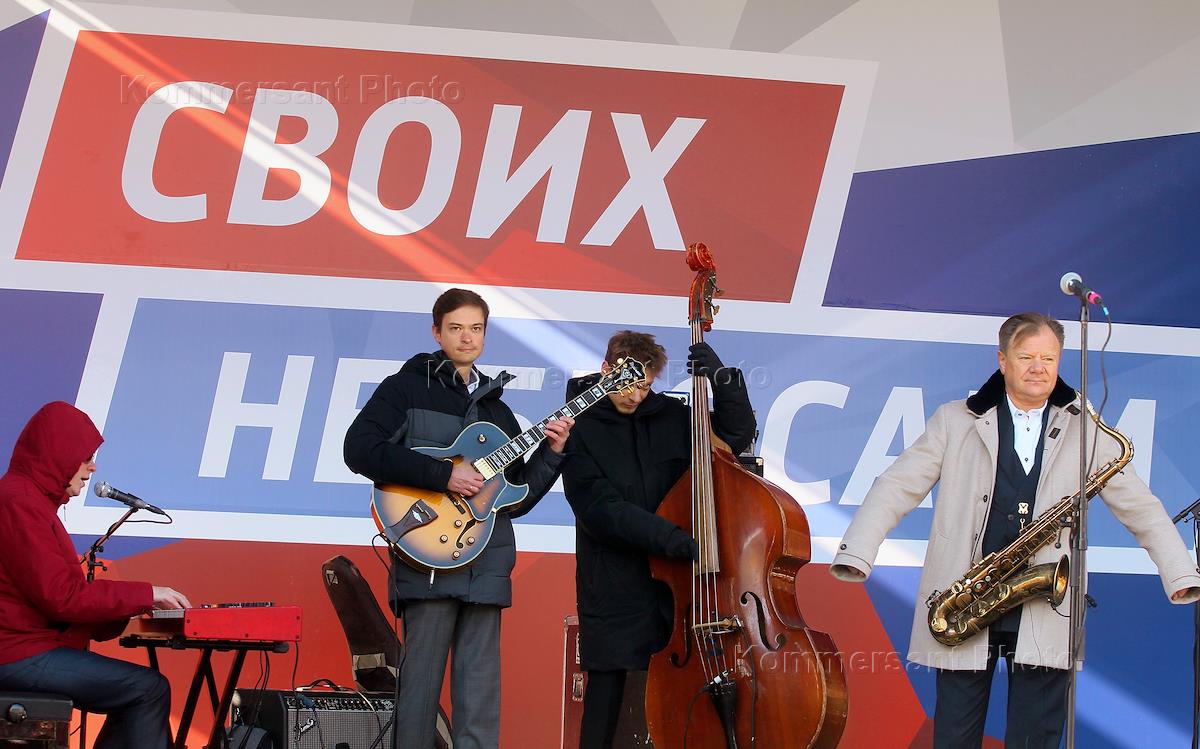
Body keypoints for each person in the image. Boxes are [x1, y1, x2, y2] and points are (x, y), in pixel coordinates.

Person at [830, 312, 1200, 748]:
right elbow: (897, 486)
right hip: (966, 598)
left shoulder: (1087, 430)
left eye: (1049, 358)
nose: (1038, 368)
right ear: (1002, 360)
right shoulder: (954, 421)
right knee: (954, 738)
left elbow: (1142, 508)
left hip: (1046, 604)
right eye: (1026, 357)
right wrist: (857, 552)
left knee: (1035, 740)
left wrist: (1180, 573)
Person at [343, 288, 572, 749]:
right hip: (426, 557)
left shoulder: (498, 411)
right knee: (418, 693)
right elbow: (359, 449)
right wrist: (443, 474)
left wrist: (553, 452)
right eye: (456, 328)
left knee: (480, 696)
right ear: (436, 332)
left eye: (476, 328)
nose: (467, 338)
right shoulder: (405, 389)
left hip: (486, 562)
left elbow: (515, 499)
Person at [561, 331, 756, 749]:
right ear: (606, 370)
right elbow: (600, 510)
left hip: (676, 591)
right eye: (627, 384)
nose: (635, 395)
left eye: (645, 385)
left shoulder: (674, 416)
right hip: (613, 584)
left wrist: (723, 379)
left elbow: (735, 438)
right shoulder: (577, 427)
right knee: (604, 700)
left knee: (682, 697)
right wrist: (676, 540)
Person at [0, 401, 191, 748]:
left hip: (21, 648)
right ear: (58, 454)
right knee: (147, 689)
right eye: (85, 457)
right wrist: (146, 595)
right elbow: (62, 598)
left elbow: (55, 598)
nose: (92, 467)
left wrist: (133, 605)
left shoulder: (26, 500)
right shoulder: (20, 503)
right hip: (16, 654)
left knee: (142, 689)